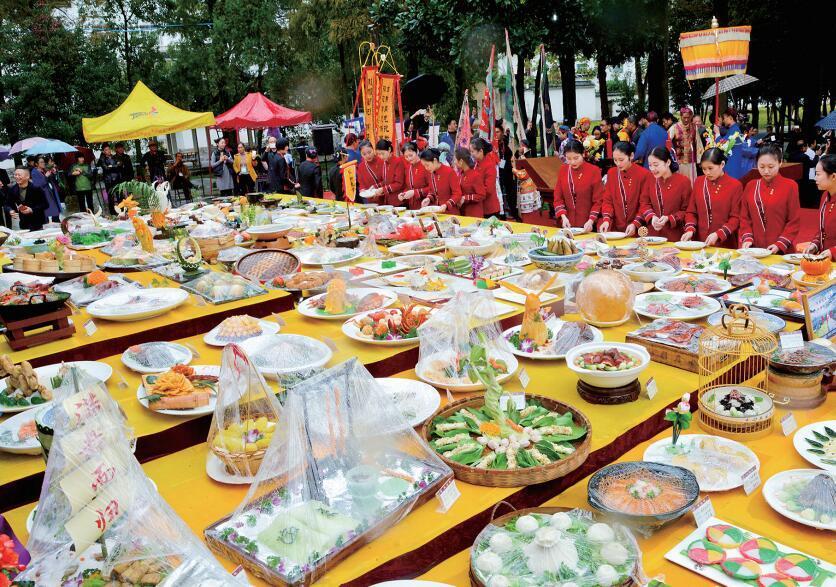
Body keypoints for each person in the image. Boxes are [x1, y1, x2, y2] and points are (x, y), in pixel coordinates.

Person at [739, 144, 800, 253]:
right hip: (755, 249)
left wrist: (780, 244)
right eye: (761, 167)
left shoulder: (790, 185)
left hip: (781, 249)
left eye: (771, 167)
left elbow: (794, 220)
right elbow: (744, 217)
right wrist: (747, 237)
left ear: (780, 163)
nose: (766, 171)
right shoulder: (751, 186)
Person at [682, 148, 743, 247]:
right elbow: (691, 211)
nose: (707, 173)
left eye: (710, 168)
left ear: (722, 164)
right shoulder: (699, 182)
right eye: (704, 169)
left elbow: (736, 217)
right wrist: (690, 229)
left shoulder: (735, 185)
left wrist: (719, 234)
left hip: (725, 242)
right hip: (700, 242)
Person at [599, 141, 651, 236]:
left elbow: (645, 203)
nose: (618, 163)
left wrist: (635, 223)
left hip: (638, 229)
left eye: (621, 160)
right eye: (615, 160)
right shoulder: (612, 173)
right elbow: (607, 200)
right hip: (616, 229)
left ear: (631, 156)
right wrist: (606, 220)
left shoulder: (644, 174)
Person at [640, 146, 691, 241]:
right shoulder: (650, 179)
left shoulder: (683, 182)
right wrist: (652, 216)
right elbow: (644, 203)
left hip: (675, 236)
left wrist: (669, 218)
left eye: (656, 165)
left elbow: (688, 210)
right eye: (650, 165)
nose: (652, 169)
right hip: (653, 235)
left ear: (668, 162)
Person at [553, 139, 602, 233]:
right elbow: (558, 197)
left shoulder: (593, 171)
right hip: (567, 224)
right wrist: (563, 217)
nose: (572, 162)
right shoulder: (563, 170)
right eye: (568, 158)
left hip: (588, 224)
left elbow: (598, 200)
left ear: (583, 154)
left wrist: (591, 220)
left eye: (576, 158)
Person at [805, 155, 836, 258]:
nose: (815, 178)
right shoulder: (825, 196)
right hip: (826, 261)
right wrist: (815, 244)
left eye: (818, 174)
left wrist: (833, 252)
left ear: (833, 176)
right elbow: (823, 230)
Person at [715, 108, 757, 180]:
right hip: (732, 163)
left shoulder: (735, 130)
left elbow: (723, 146)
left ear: (730, 118)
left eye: (724, 118)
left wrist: (717, 134)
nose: (723, 120)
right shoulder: (733, 129)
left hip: (732, 165)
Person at [668, 106, 704, 183]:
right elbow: (667, 142)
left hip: (691, 161)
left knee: (691, 182)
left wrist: (700, 159)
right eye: (684, 117)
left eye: (688, 117)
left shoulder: (694, 127)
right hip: (679, 161)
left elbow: (698, 143)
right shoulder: (674, 128)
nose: (686, 119)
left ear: (691, 116)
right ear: (680, 116)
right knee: (680, 182)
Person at [367, 139, 404, 206]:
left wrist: (383, 189)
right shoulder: (385, 162)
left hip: (398, 200)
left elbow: (399, 183)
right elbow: (386, 181)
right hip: (388, 200)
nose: (381, 156)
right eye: (378, 154)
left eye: (382, 153)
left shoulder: (398, 162)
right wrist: (375, 186)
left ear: (389, 150)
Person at [470, 137, 500, 218]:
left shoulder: (489, 165)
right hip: (480, 206)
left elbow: (488, 189)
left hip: (490, 208)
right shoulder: (477, 163)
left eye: (472, 151)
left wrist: (474, 196)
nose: (471, 154)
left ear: (481, 151)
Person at [398, 141, 429, 210]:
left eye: (411, 155)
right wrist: (403, 194)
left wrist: (415, 192)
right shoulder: (408, 167)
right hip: (413, 207)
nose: (409, 158)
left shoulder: (425, 165)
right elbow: (409, 186)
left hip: (425, 205)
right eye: (406, 157)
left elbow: (432, 187)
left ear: (417, 151)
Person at [356, 139, 384, 204]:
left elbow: (388, 179)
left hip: (385, 195)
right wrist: (362, 190)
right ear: (361, 154)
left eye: (369, 152)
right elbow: (361, 183)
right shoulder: (361, 166)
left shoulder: (381, 161)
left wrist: (376, 186)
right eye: (364, 154)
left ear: (373, 149)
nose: (368, 156)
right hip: (371, 199)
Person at [98, 144, 122, 215]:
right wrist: (115, 166)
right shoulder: (102, 159)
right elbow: (106, 168)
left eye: (108, 149)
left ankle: (122, 211)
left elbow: (120, 165)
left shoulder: (115, 157)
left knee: (120, 196)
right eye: (106, 150)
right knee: (110, 197)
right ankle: (113, 213)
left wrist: (112, 166)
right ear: (103, 151)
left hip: (117, 179)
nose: (108, 151)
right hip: (108, 180)